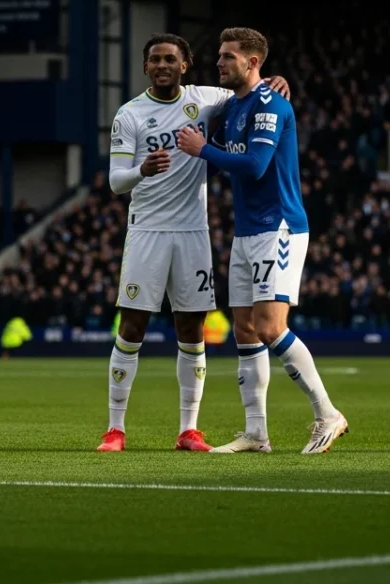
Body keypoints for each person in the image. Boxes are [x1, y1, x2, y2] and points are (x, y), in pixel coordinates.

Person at [98, 33, 289, 454]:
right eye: (154, 60)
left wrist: (275, 80)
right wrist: (142, 170)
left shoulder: (208, 99)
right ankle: (115, 430)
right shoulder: (129, 115)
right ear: (145, 67)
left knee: (192, 330)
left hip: (193, 233)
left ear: (185, 65)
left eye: (170, 59)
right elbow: (115, 182)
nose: (162, 65)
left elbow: (249, 86)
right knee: (132, 327)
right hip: (146, 230)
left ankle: (189, 430)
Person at [176, 27, 348, 454]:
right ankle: (256, 433)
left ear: (253, 62)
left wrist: (201, 149)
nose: (219, 63)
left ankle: (327, 413)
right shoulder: (233, 108)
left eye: (228, 57)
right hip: (247, 230)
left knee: (271, 327)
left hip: (280, 227)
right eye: (219, 56)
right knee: (246, 330)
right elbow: (220, 161)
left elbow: (254, 165)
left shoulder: (271, 103)